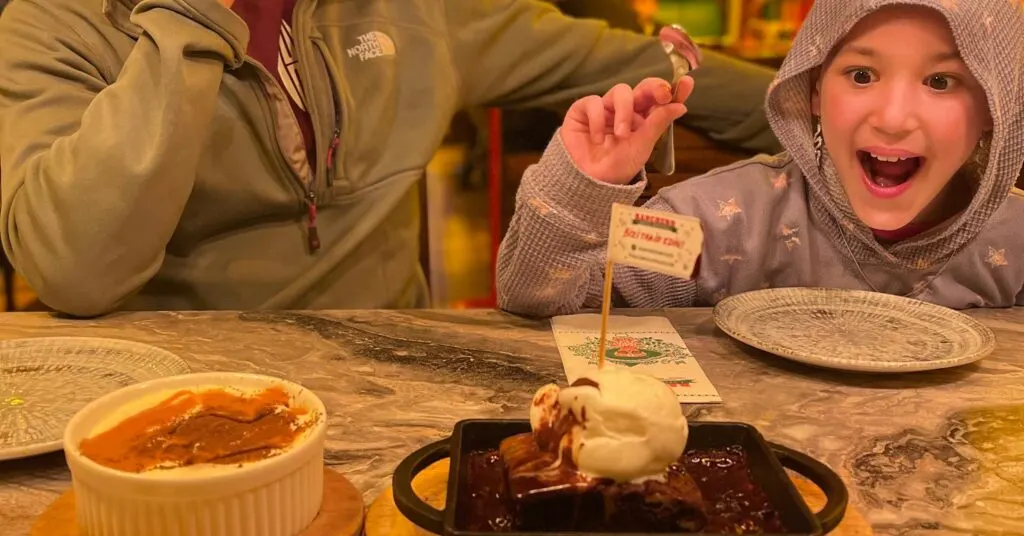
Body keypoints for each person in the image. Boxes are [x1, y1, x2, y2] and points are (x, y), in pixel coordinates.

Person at [0, 0, 698, 317]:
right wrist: (188, 16)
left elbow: (634, 64)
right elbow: (76, 271)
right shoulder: (50, 21)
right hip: (176, 396)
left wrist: (797, 105)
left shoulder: (411, 11)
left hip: (392, 374)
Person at [497, 0, 1024, 316]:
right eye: (861, 75)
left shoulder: (1015, 242)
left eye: (941, 81)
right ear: (814, 90)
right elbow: (543, 300)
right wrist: (584, 189)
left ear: (994, 109)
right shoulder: (719, 224)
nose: (892, 117)